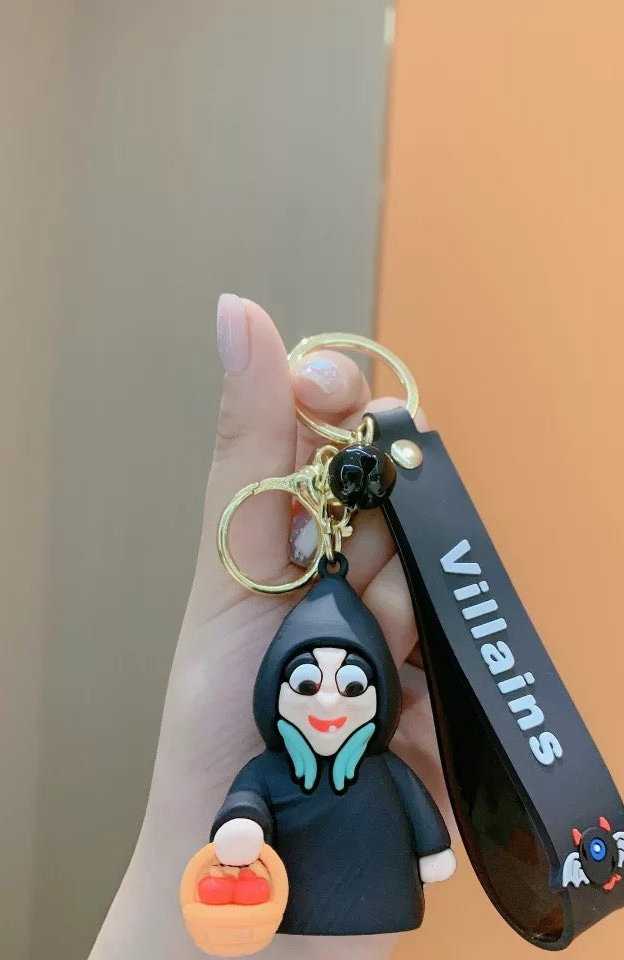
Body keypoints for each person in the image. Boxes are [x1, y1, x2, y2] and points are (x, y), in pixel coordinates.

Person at [90, 295, 455, 960]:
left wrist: (432, 851)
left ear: (380, 695)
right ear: (272, 690)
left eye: (352, 687)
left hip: (381, 896)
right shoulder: (266, 769)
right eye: (308, 682)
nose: (328, 699)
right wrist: (233, 831)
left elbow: (420, 813)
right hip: (275, 911)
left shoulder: (385, 768)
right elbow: (247, 805)